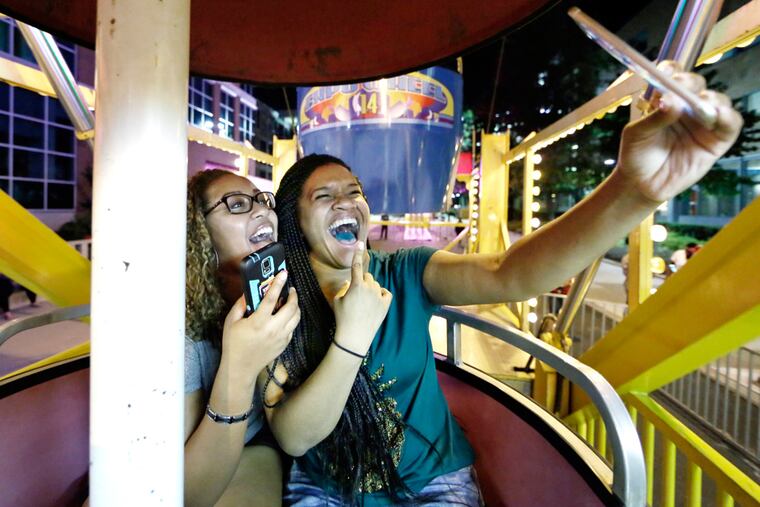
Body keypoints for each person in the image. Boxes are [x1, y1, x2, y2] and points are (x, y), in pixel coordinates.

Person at [259, 64, 742, 506]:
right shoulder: (277, 305)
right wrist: (351, 338)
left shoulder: (404, 272)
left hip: (431, 484)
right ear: (295, 222)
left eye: (355, 192)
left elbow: (510, 274)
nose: (347, 202)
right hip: (327, 489)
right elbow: (295, 439)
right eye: (324, 196)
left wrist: (632, 192)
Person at [183, 169, 301, 507]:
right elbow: (187, 492)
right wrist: (241, 366)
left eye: (264, 201)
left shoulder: (289, 295)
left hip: (254, 444)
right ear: (199, 234)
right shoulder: (180, 336)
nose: (263, 210)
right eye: (236, 204)